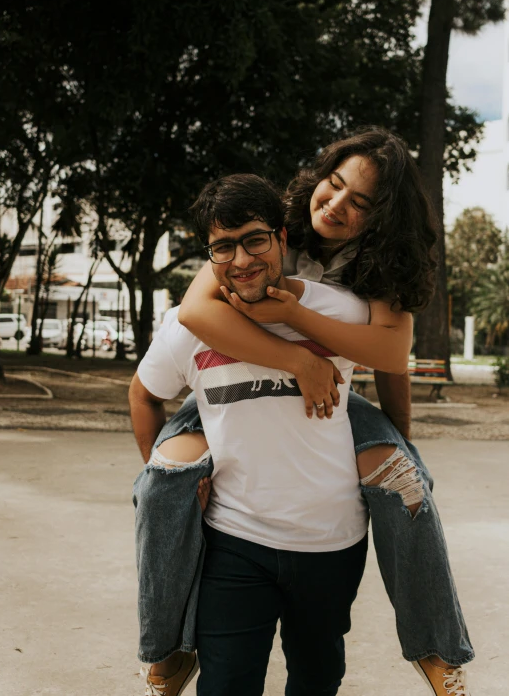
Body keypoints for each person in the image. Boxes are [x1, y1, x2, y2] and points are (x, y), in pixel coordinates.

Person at [132, 128, 474, 696]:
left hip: (336, 391)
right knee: (162, 480)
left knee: (402, 478)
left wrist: (393, 438)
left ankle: (436, 646)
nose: (337, 204)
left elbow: (390, 358)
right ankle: (166, 648)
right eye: (334, 184)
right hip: (233, 381)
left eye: (360, 202)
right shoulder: (271, 227)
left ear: (383, 216)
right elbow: (196, 310)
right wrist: (298, 360)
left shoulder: (381, 265)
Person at [131, 174, 372, 696]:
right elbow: (143, 395)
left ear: (282, 238)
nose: (240, 259)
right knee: (225, 686)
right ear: (209, 257)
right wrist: (172, 482)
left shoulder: (343, 311)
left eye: (254, 239)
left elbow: (393, 359)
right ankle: (165, 654)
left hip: (332, 541)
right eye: (223, 246)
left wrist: (398, 448)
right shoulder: (184, 327)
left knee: (317, 680)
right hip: (234, 540)